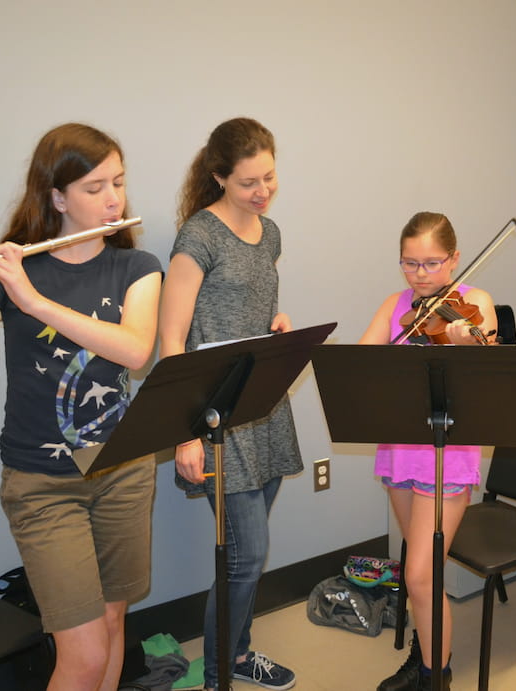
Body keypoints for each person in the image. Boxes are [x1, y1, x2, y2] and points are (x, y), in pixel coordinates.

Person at [0, 123, 162, 691]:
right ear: (57, 196)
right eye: (94, 187)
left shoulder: (136, 268)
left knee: (114, 622)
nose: (114, 198)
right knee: (83, 655)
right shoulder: (9, 272)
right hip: (42, 484)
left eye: (118, 182)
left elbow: (135, 349)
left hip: (123, 468)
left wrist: (33, 302)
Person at [159, 117, 298, 691]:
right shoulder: (198, 237)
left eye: (268, 177)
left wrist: (277, 323)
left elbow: (253, 308)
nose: (261, 191)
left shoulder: (270, 234)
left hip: (263, 405)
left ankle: (237, 656)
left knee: (245, 553)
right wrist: (184, 433)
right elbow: (171, 343)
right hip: (215, 416)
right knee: (246, 555)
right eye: (247, 183)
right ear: (219, 177)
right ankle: (220, 673)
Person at [359, 211, 498, 691]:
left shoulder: (474, 302)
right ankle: (425, 658)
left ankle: (435, 678)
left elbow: (486, 367)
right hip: (400, 451)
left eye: (432, 263)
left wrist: (463, 340)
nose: (420, 275)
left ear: (455, 258)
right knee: (422, 573)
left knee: (419, 575)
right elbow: (362, 362)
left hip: (448, 455)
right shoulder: (396, 304)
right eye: (410, 263)